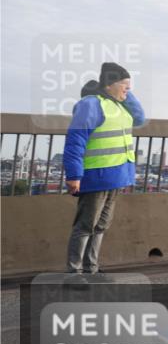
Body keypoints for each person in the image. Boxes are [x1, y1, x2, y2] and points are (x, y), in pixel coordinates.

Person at [62, 63, 146, 281]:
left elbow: (139, 117)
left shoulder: (120, 106)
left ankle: (91, 268)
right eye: (124, 85)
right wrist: (73, 175)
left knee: (100, 226)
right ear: (109, 85)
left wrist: (124, 92)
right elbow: (75, 140)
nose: (129, 89)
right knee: (85, 226)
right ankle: (74, 273)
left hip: (116, 176)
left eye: (130, 85)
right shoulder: (91, 104)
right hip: (96, 175)